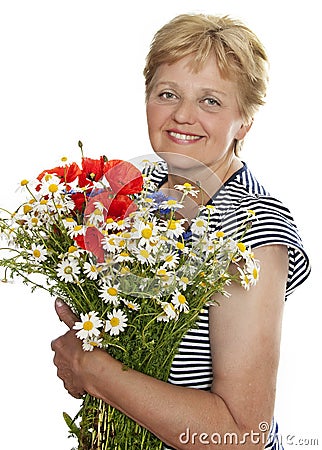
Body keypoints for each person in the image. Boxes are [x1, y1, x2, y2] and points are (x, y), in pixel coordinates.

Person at [51, 13, 310, 450]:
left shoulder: (251, 229)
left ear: (244, 121)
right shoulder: (140, 191)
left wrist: (95, 371)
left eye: (210, 101)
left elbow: (243, 435)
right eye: (167, 94)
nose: (183, 116)